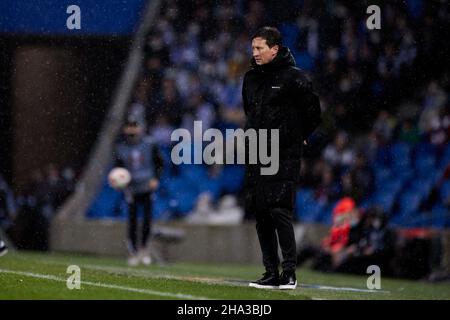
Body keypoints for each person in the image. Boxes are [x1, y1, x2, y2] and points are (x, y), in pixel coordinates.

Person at [243, 26, 321, 289]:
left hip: (284, 152)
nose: (254, 53)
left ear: (274, 50)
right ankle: (270, 273)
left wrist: (301, 134)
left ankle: (289, 273)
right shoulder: (250, 79)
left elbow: (313, 111)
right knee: (261, 213)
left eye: (259, 48)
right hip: (257, 152)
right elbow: (250, 112)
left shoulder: (294, 78)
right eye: (253, 48)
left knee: (280, 210)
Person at [114, 115, 163, 266]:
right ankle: (134, 252)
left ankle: (144, 250)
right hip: (132, 188)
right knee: (133, 221)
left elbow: (159, 163)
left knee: (147, 220)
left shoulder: (149, 144)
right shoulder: (121, 147)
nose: (132, 129)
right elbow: (119, 168)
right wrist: (119, 182)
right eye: (129, 126)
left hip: (147, 186)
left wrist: (155, 178)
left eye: (134, 126)